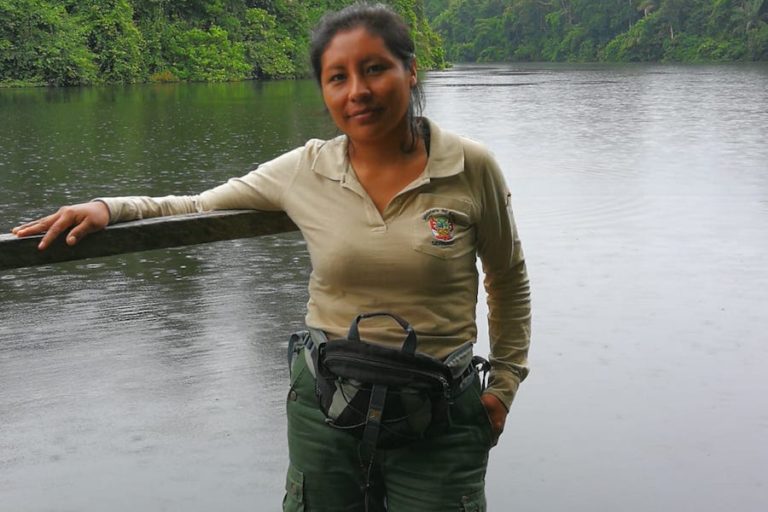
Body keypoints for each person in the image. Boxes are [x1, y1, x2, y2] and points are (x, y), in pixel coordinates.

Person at [12, 3, 531, 511]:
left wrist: (503, 387)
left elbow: (507, 277)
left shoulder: (469, 166)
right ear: (324, 91)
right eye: (337, 77)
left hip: (440, 410)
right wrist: (108, 207)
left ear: (410, 70)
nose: (358, 91)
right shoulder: (306, 168)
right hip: (329, 405)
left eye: (375, 69)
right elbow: (196, 204)